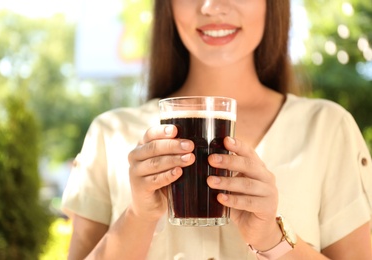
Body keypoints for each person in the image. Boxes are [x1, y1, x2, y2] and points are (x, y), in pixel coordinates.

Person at [62, 0, 372, 259]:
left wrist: (272, 239)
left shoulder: (328, 128)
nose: (211, 7)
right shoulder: (109, 133)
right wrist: (138, 218)